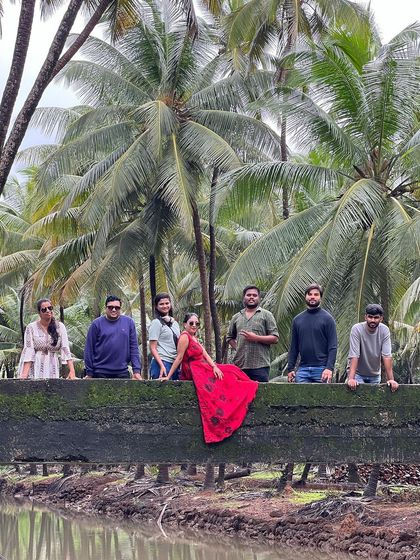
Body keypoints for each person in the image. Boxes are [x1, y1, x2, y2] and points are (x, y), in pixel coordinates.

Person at [161, 313, 258, 443]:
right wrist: (168, 375)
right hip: (195, 370)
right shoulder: (184, 337)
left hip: (203, 366)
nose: (194, 325)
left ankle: (247, 387)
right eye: (191, 323)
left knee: (231, 369)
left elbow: (205, 353)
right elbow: (179, 358)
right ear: (185, 324)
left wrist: (214, 366)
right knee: (227, 378)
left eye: (197, 323)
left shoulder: (194, 337)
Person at [226, 285, 279, 382]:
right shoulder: (236, 317)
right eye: (248, 295)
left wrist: (256, 338)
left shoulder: (267, 315)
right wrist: (238, 347)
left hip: (260, 366)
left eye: (254, 295)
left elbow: (275, 338)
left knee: (260, 395)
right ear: (244, 297)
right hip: (239, 365)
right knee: (240, 395)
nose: (251, 297)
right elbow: (229, 337)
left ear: (259, 298)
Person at [288, 283, 337, 384]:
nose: (312, 297)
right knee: (300, 399)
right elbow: (294, 347)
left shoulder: (328, 319)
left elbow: (333, 346)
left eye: (316, 294)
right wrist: (290, 369)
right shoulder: (297, 320)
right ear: (305, 296)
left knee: (322, 400)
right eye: (310, 294)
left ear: (320, 297)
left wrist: (329, 368)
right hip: (302, 370)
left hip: (322, 369)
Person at [84, 295, 141, 379]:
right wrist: (89, 372)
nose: (114, 309)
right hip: (99, 372)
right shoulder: (96, 324)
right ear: (105, 308)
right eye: (110, 307)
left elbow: (134, 348)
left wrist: (136, 371)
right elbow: (89, 349)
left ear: (120, 308)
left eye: (117, 307)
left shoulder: (129, 323)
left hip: (122, 372)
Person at [19, 298, 75, 379]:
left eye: (50, 308)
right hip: (36, 365)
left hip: (53, 365)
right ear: (39, 313)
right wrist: (24, 375)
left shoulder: (60, 327)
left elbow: (65, 348)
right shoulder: (31, 327)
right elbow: (29, 350)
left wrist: (72, 371)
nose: (48, 311)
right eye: (44, 309)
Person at [347, 303, 399, 392]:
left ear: (381, 319)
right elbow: (354, 355)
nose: (373, 320)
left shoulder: (384, 330)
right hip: (357, 374)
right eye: (370, 317)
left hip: (374, 375)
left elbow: (387, 356)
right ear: (365, 317)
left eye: (376, 318)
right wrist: (351, 378)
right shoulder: (357, 329)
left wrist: (391, 380)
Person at [148, 293, 180, 380]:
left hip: (174, 363)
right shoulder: (156, 323)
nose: (165, 306)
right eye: (161, 304)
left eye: (167, 303)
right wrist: (162, 366)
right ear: (156, 306)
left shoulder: (175, 323)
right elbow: (152, 347)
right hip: (162, 362)